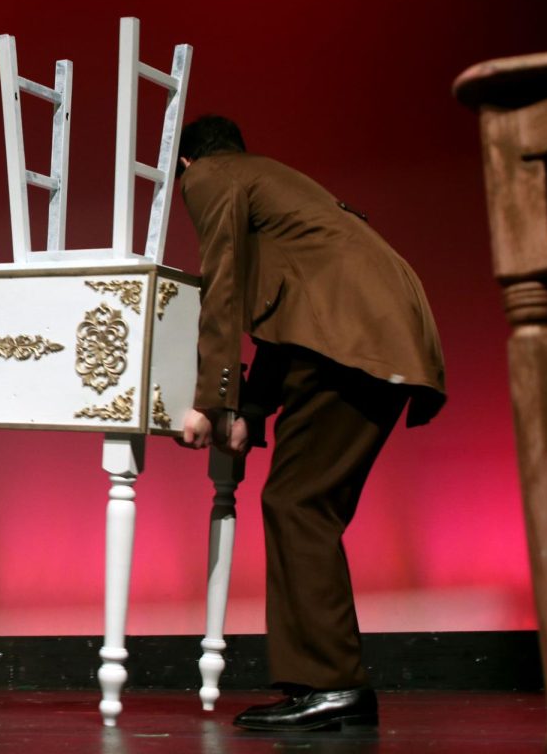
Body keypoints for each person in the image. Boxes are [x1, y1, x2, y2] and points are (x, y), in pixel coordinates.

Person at [175, 115, 445, 731]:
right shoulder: (272, 183)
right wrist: (250, 407)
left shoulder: (210, 177)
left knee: (298, 502)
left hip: (352, 339)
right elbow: (289, 303)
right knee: (302, 502)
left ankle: (333, 684)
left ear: (186, 164)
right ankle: (327, 683)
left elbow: (223, 284)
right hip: (371, 332)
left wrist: (212, 400)